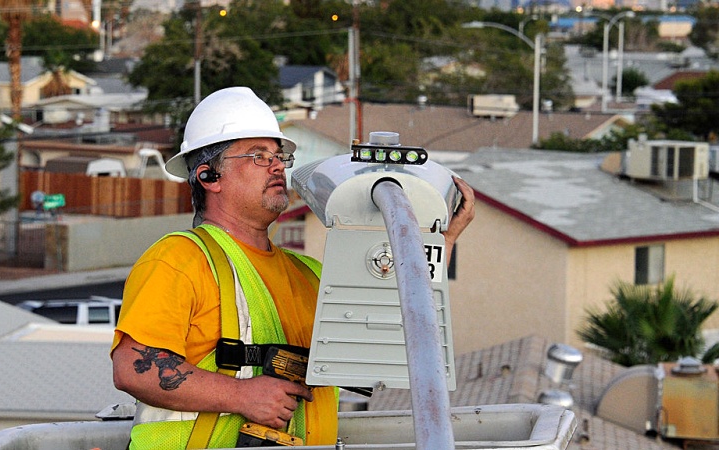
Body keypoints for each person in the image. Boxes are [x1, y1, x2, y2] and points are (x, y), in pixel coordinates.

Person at [111, 86, 475, 449]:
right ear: (209, 177)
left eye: (278, 155)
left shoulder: (312, 274)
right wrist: (241, 396)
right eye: (258, 155)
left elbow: (395, 338)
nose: (277, 165)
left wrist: (438, 244)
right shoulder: (180, 260)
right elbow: (132, 369)